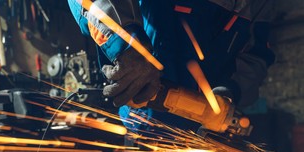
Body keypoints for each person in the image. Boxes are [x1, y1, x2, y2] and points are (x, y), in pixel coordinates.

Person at [67, 0, 275, 133]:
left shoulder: (260, 4)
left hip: (207, 139)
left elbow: (256, 55)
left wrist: (229, 91)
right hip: (145, 133)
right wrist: (126, 44)